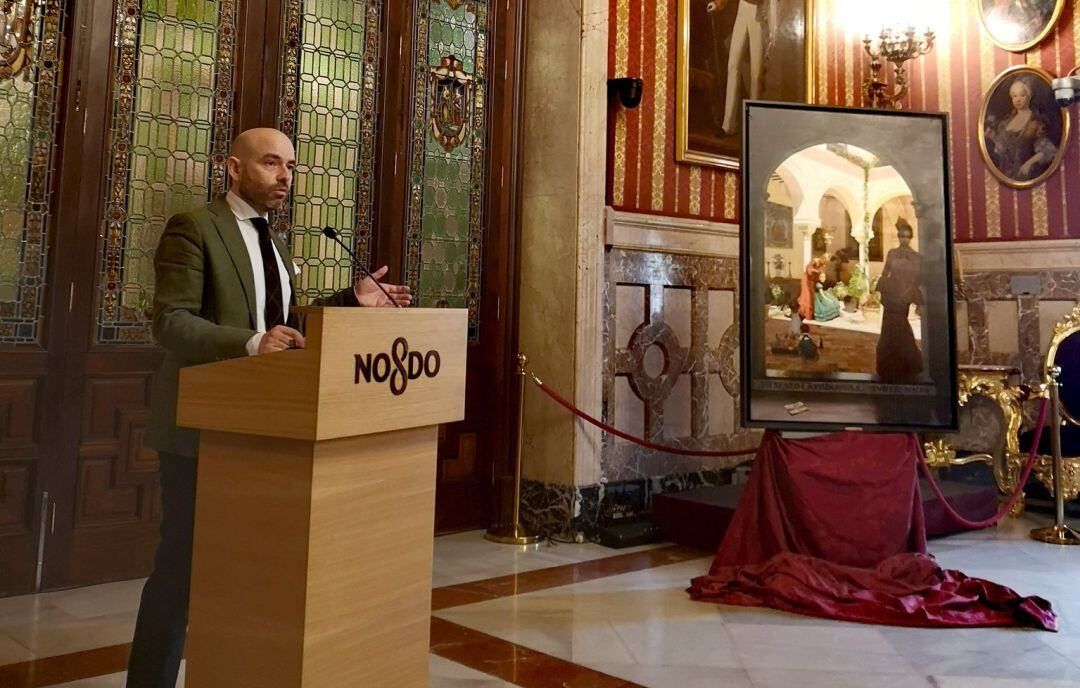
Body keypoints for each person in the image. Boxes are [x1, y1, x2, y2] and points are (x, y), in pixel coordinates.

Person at [127, 128, 412, 688]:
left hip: (263, 427)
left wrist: (351, 303)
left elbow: (283, 328)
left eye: (290, 166)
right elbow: (172, 321)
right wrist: (251, 345)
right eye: (271, 164)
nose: (285, 177)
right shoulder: (195, 228)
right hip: (201, 430)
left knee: (251, 571)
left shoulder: (274, 243)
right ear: (234, 168)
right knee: (181, 571)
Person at [708, 0, 778, 136]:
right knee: (733, 65)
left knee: (756, 73)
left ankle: (753, 125)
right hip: (743, 9)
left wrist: (769, 17)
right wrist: (718, 3)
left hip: (760, 13)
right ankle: (728, 125)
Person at [875, 218, 923, 383]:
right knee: (888, 328)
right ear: (898, 236)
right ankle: (887, 365)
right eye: (901, 235)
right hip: (891, 296)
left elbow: (918, 279)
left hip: (903, 298)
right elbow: (885, 273)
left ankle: (907, 362)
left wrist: (913, 297)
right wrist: (882, 293)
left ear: (911, 237)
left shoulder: (917, 258)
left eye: (907, 235)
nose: (904, 238)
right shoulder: (892, 253)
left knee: (901, 326)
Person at [983, 76, 1058, 181]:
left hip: (1028, 174)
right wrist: (993, 137)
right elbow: (1004, 150)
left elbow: (1048, 149)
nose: (1018, 99)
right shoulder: (1006, 123)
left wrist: (1028, 164)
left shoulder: (1034, 121)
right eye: (1014, 96)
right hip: (1006, 175)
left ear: (1029, 96)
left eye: (1022, 95)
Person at [797, 255, 825, 321]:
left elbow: (822, 273)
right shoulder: (815, 260)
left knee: (811, 296)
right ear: (822, 258)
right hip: (806, 280)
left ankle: (810, 314)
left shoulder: (822, 265)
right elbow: (808, 269)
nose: (825, 261)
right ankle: (804, 313)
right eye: (824, 259)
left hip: (812, 281)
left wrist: (822, 275)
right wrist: (815, 271)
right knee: (806, 296)